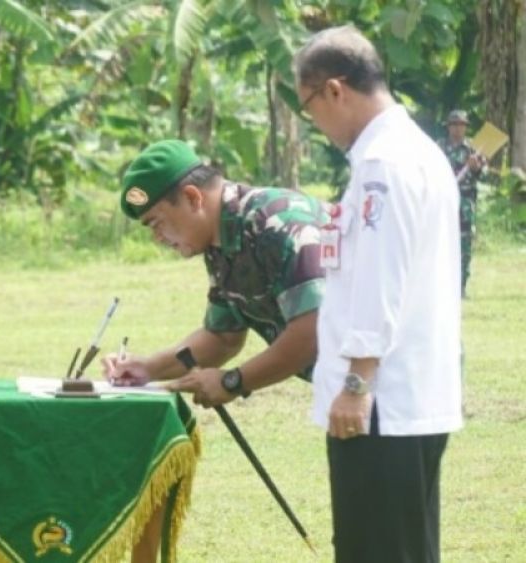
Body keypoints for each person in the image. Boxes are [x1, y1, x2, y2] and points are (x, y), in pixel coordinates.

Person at [294, 25, 463, 562]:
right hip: (404, 397)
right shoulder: (414, 151)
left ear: (335, 90)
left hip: (381, 404)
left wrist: (356, 382)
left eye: (309, 106)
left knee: (378, 552)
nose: (315, 123)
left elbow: (380, 279)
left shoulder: (382, 165)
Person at [101, 140, 327, 407]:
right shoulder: (220, 241)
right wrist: (148, 368)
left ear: (192, 197)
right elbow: (222, 338)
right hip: (351, 387)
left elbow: (314, 330)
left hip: (378, 378)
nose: (157, 238)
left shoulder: (276, 224)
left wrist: (234, 381)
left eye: (157, 222)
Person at [437, 109, 486, 297]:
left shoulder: (473, 150)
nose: (457, 129)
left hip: (465, 202)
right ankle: (441, 286)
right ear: (448, 127)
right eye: (454, 125)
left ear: (466, 128)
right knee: (441, 242)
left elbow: (486, 175)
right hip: (443, 201)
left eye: (461, 125)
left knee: (464, 244)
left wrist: (476, 167)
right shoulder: (439, 148)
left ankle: (461, 287)